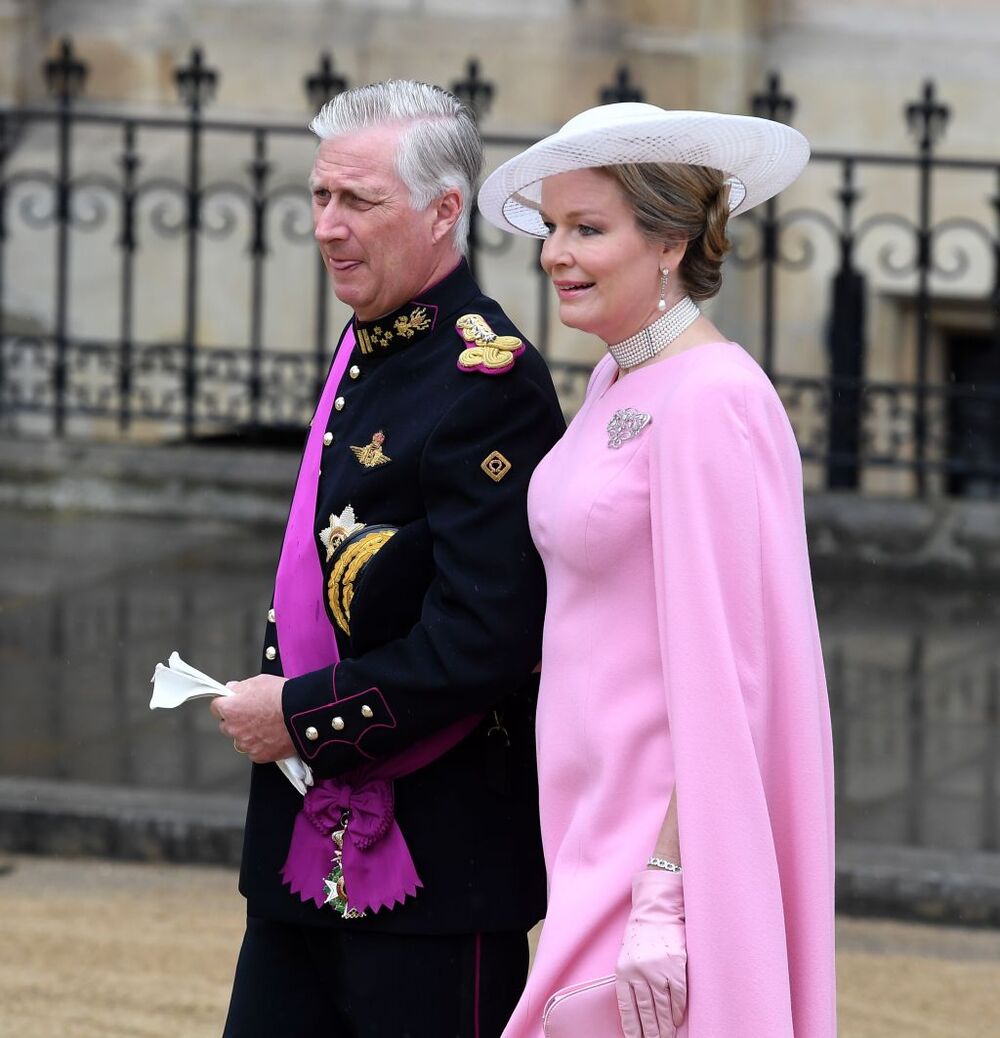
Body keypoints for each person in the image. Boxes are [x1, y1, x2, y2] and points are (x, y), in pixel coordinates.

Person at [211, 80, 565, 1038]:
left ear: (445, 210)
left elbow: (485, 639)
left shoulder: (489, 381)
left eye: (358, 201)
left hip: (438, 864)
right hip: (301, 848)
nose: (328, 227)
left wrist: (299, 717)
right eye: (321, 197)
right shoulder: (369, 340)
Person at [478, 104, 836, 1037]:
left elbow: (735, 677)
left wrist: (667, 897)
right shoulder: (615, 378)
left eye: (588, 229)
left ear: (671, 242)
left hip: (655, 844)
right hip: (586, 819)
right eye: (553, 227)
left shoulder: (713, 397)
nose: (556, 252)